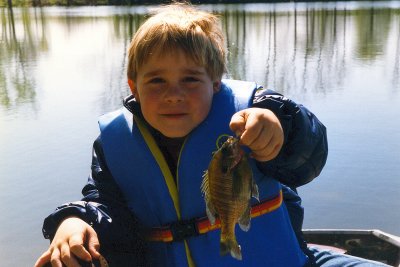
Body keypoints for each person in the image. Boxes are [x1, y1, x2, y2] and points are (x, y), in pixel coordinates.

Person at [34, 3, 388, 267]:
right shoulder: (114, 143)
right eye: (157, 81)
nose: (174, 94)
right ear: (134, 87)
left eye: (190, 79)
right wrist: (73, 219)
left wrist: (281, 127)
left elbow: (308, 159)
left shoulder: (255, 113)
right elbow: (106, 207)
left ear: (215, 83)